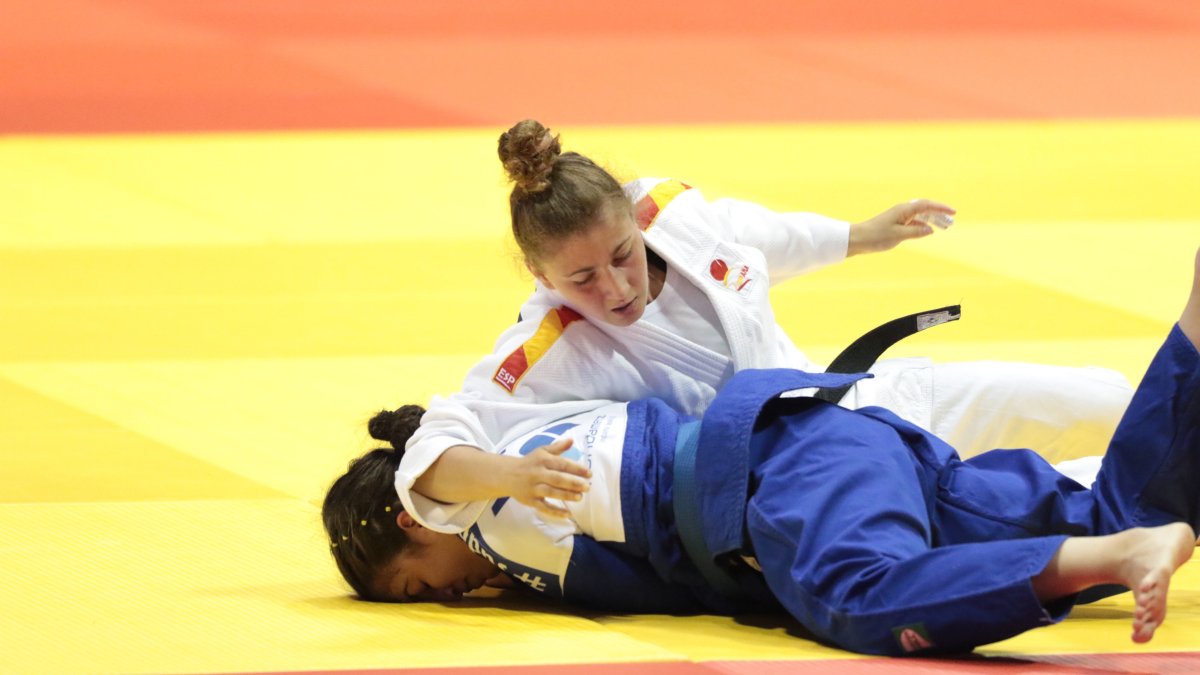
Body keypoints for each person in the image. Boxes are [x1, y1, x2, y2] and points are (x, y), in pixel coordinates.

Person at [323, 247, 1200, 657]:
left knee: (857, 597)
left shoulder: (469, 473)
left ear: (407, 518)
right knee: (1118, 515)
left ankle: (1113, 551)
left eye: (414, 583)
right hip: (836, 446)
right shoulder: (506, 492)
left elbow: (434, 470)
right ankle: (1192, 342)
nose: (443, 595)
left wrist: (505, 478)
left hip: (783, 480)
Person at [402, 119, 1131, 500]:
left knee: (1107, 398)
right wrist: (507, 476)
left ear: (633, 216)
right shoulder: (544, 347)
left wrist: (863, 235)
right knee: (1060, 498)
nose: (615, 288)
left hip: (860, 399)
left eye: (622, 254)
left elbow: (759, 236)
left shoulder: (668, 209)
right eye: (582, 277)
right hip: (811, 480)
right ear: (539, 273)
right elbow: (433, 448)